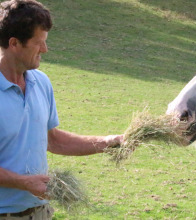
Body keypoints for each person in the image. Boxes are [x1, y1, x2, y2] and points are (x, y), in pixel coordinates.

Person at [0, 0, 123, 219]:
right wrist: (24, 182)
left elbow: (52, 140)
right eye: (39, 43)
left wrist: (108, 143)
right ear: (14, 43)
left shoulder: (41, 82)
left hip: (40, 211)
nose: (45, 50)